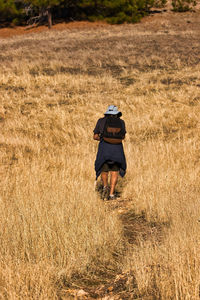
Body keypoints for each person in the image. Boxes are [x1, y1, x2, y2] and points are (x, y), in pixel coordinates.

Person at [93, 105, 127, 200]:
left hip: (104, 148)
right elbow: (123, 137)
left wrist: (103, 138)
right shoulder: (121, 122)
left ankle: (105, 187)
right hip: (117, 150)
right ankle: (112, 194)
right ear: (117, 114)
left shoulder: (101, 121)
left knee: (104, 169)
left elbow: (95, 136)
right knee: (114, 172)